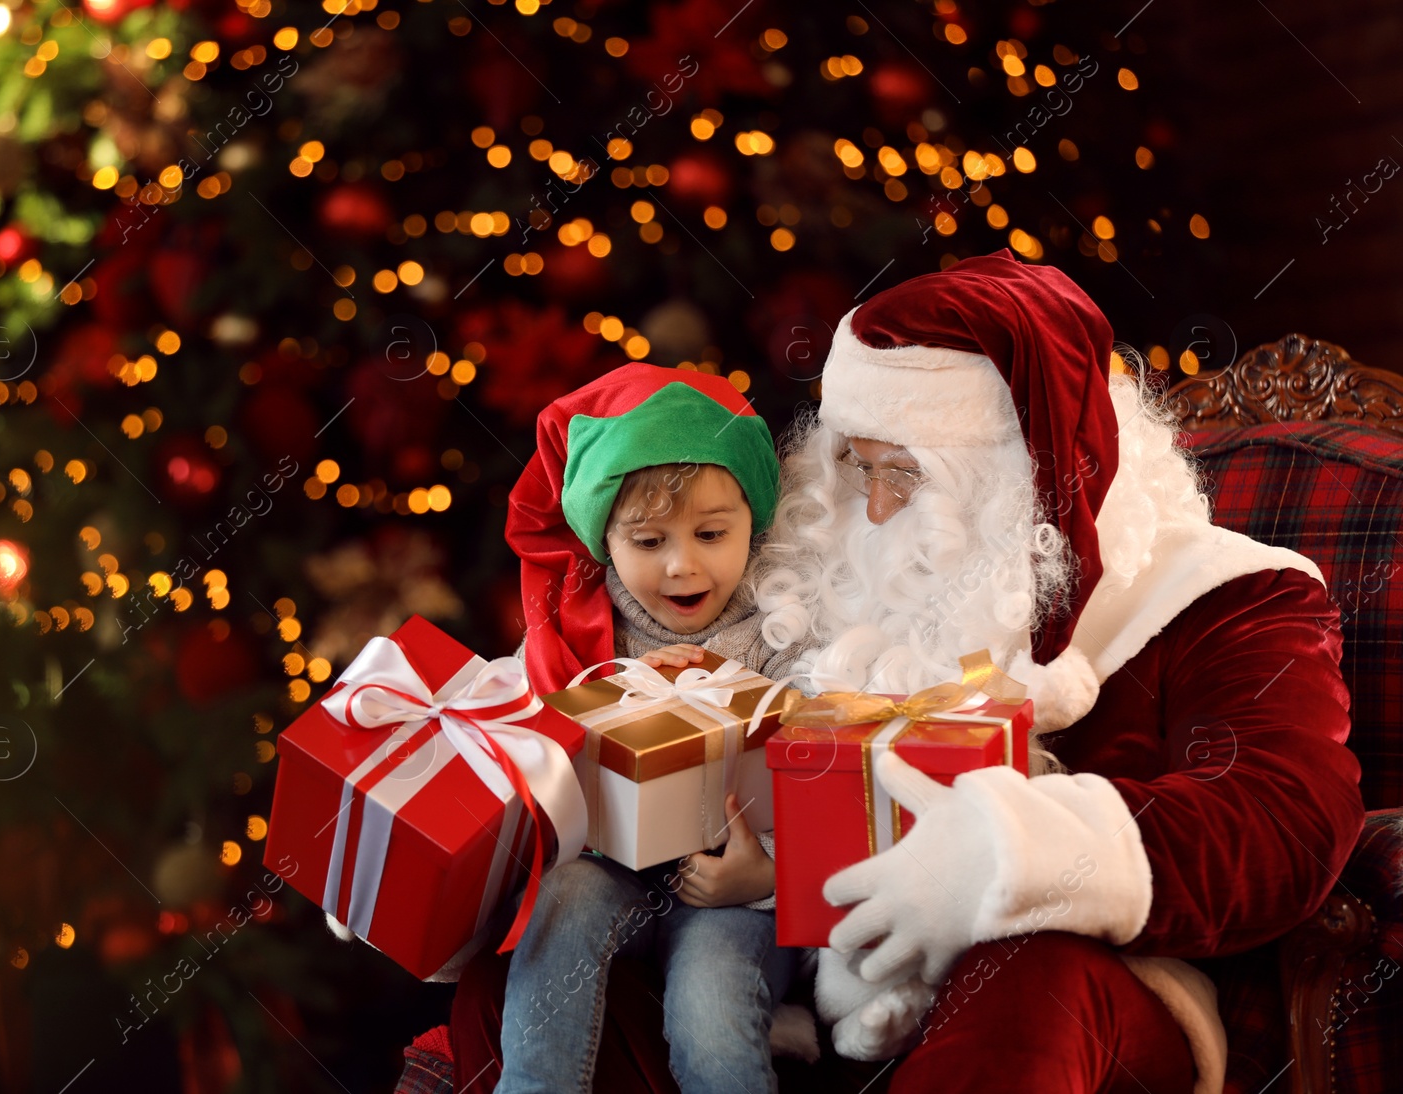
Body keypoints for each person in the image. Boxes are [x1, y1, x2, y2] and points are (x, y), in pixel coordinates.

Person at [747, 249, 1365, 1091]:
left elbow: (1282, 816)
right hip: (801, 983)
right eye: (856, 465)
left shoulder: (1225, 593)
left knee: (1029, 972)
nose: (876, 509)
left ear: (1028, 472)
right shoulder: (814, 570)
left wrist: (1012, 854)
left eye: (909, 474)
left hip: (1086, 1000)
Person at [471, 363, 801, 1094]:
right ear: (605, 540)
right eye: (648, 542)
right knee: (562, 902)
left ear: (754, 518)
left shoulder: (789, 625)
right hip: (612, 867)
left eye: (711, 533)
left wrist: (767, 876)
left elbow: (832, 787)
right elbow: (515, 742)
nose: (683, 566)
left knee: (710, 1014)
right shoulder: (574, 631)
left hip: (732, 885)